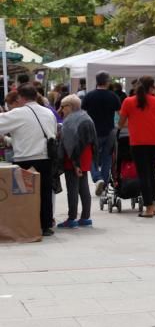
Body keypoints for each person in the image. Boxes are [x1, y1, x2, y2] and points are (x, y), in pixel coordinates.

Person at [0, 84, 58, 236]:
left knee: (23, 195)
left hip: (25, 159)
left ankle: (25, 224)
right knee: (45, 193)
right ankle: (45, 226)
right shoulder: (48, 112)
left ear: (20, 97)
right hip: (46, 157)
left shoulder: (18, 113)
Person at [118, 76, 155, 218]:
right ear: (152, 87)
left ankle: (149, 208)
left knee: (143, 174)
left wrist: (132, 123)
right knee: (151, 173)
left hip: (139, 142)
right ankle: (153, 205)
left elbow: (120, 123)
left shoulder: (128, 101)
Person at [56, 94, 97, 229]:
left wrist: (75, 163)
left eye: (63, 106)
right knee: (83, 188)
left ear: (70, 106)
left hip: (73, 159)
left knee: (72, 189)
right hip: (86, 157)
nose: (61, 109)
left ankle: (71, 218)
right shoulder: (86, 117)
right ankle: (85, 217)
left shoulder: (69, 121)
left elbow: (69, 144)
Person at [82, 71, 122, 196]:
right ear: (107, 82)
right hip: (109, 131)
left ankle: (97, 178)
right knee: (107, 157)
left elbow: (83, 113)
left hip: (92, 131)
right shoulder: (113, 96)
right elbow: (120, 113)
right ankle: (104, 183)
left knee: (91, 157)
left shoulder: (89, 96)